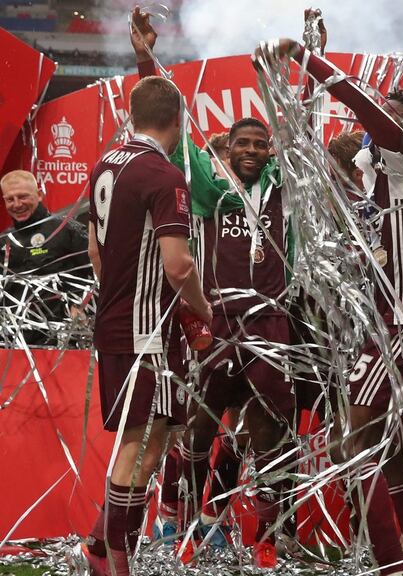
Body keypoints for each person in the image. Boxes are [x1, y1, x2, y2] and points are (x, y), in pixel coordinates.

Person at [267, 37, 403, 576]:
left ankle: (391, 565)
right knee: (388, 446)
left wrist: (307, 59)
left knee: (353, 437)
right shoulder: (385, 188)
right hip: (400, 322)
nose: (380, 122)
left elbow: (367, 110)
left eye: (393, 117)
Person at [130, 10, 295, 567]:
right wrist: (146, 62)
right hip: (219, 321)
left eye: (260, 144)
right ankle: (185, 520)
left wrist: (279, 74)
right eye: (241, 143)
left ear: (269, 152)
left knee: (270, 430)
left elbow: (298, 137)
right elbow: (169, 135)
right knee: (199, 428)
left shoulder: (286, 193)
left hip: (272, 323)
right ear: (228, 150)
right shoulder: (207, 190)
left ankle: (266, 535)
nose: (251, 150)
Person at [82, 74, 212, 576]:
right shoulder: (162, 176)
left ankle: (100, 542)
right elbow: (179, 266)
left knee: (153, 442)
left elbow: (95, 251)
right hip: (146, 334)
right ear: (178, 121)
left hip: (117, 323)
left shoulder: (105, 163)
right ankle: (109, 560)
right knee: (139, 447)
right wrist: (203, 309)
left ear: (132, 115)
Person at [1, 170, 91, 345]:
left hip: (63, 337)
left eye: (23, 197)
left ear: (39, 194)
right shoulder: (4, 241)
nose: (17, 204)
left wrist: (80, 306)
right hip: (15, 339)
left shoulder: (68, 229)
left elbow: (95, 274)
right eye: (10, 199)